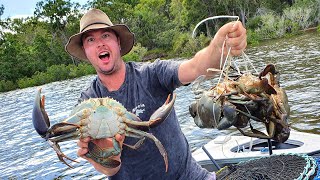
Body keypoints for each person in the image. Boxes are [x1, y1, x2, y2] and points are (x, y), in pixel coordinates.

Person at [65, 8, 246, 179]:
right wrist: (105, 156)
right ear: (85, 51)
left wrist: (218, 49)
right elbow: (110, 169)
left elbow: (195, 67)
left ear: (118, 42)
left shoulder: (151, 74)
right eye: (90, 40)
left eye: (105, 35)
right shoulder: (87, 104)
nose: (100, 44)